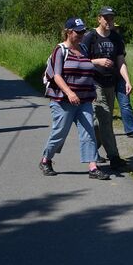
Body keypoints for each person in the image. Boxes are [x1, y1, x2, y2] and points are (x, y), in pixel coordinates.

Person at [39, 18, 110, 180]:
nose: (81, 35)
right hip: (62, 100)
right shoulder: (60, 50)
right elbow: (56, 75)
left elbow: (86, 66)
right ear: (68, 32)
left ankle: (93, 167)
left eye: (83, 31)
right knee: (60, 132)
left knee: (89, 132)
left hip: (84, 99)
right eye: (77, 32)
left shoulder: (84, 48)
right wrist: (69, 93)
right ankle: (46, 160)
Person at [81, 7, 129, 170]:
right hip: (95, 82)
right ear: (99, 19)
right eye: (106, 18)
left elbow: (120, 61)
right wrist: (97, 61)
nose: (109, 21)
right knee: (105, 119)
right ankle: (114, 156)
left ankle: (91, 150)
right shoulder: (90, 37)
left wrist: (127, 81)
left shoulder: (116, 37)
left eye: (111, 18)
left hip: (111, 83)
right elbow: (80, 60)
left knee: (98, 122)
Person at [113, 24, 133, 137]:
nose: (116, 30)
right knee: (105, 107)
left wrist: (127, 80)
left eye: (117, 28)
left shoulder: (119, 41)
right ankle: (102, 130)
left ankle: (131, 129)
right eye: (115, 28)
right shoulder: (97, 39)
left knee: (125, 103)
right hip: (104, 78)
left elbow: (121, 60)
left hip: (120, 77)